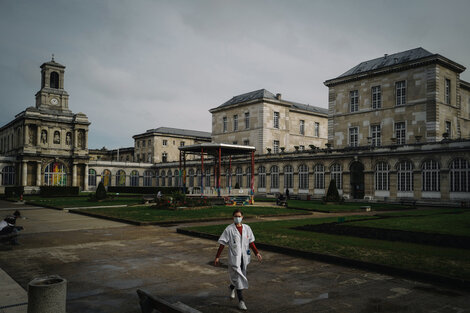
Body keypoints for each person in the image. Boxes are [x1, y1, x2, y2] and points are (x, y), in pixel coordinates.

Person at [214, 209, 262, 311]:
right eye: (235, 216)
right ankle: (241, 301)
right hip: (234, 258)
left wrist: (256, 253)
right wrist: (217, 257)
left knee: (239, 277)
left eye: (239, 216)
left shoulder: (247, 228)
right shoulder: (229, 229)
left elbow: (251, 242)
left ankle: (232, 287)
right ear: (233, 217)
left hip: (244, 258)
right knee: (239, 278)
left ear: (242, 217)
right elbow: (222, 244)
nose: (237, 218)